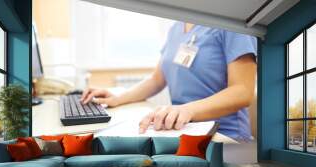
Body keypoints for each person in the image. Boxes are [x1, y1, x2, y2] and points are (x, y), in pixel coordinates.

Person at [80, 22, 257, 141]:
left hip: (224, 137)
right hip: (183, 131)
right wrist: (118, 97)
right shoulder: (176, 27)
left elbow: (242, 91)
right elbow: (157, 79)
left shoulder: (230, 24)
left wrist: (187, 110)